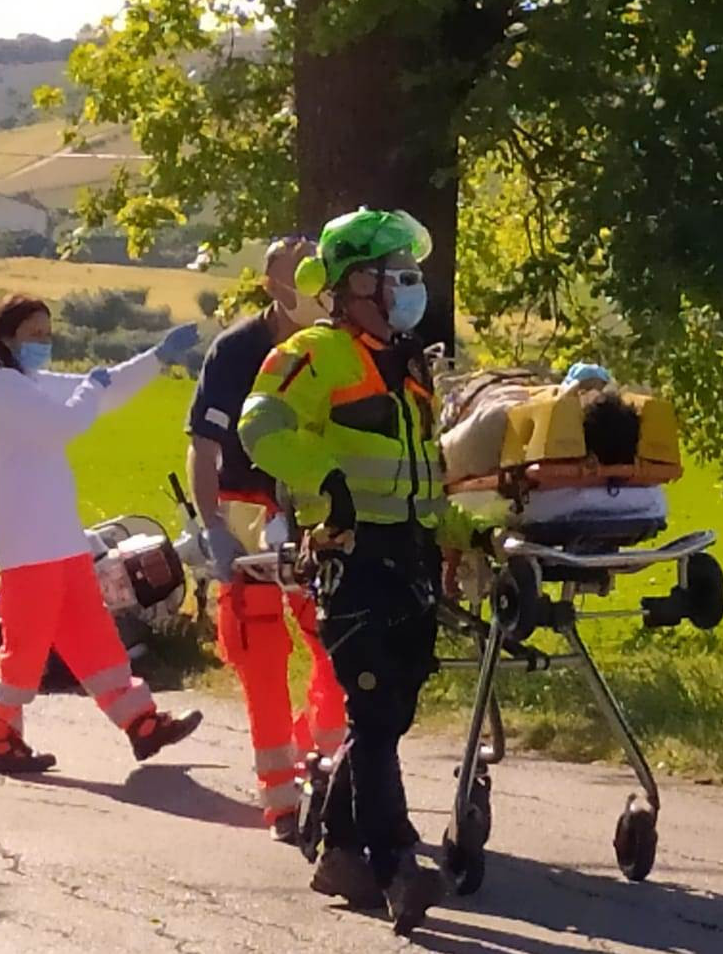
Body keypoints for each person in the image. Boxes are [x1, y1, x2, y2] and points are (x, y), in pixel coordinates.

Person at [240, 208, 491, 935]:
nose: (412, 287)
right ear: (355, 283)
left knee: (389, 712)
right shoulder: (314, 354)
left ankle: (341, 849)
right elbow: (261, 425)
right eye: (396, 275)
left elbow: (427, 475)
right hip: (353, 559)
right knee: (376, 713)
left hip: (409, 556)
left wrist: (464, 535)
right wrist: (326, 481)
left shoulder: (408, 367)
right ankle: (397, 863)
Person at [0, 294, 205, 775]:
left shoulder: (34, 384)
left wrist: (155, 359)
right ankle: (1, 736)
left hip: (60, 540)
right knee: (26, 646)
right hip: (26, 546)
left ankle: (141, 722)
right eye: (33, 335)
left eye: (47, 333)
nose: (43, 342)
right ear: (7, 339)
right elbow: (68, 421)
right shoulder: (2, 390)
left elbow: (102, 391)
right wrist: (91, 389)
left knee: (93, 636)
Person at [186, 236, 347, 843]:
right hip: (249, 505)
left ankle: (324, 762)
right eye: (295, 267)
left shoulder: (338, 347)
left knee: (336, 639)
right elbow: (204, 445)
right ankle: (281, 801)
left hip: (316, 504)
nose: (309, 280)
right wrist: (212, 526)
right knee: (261, 653)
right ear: (271, 282)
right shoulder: (236, 351)